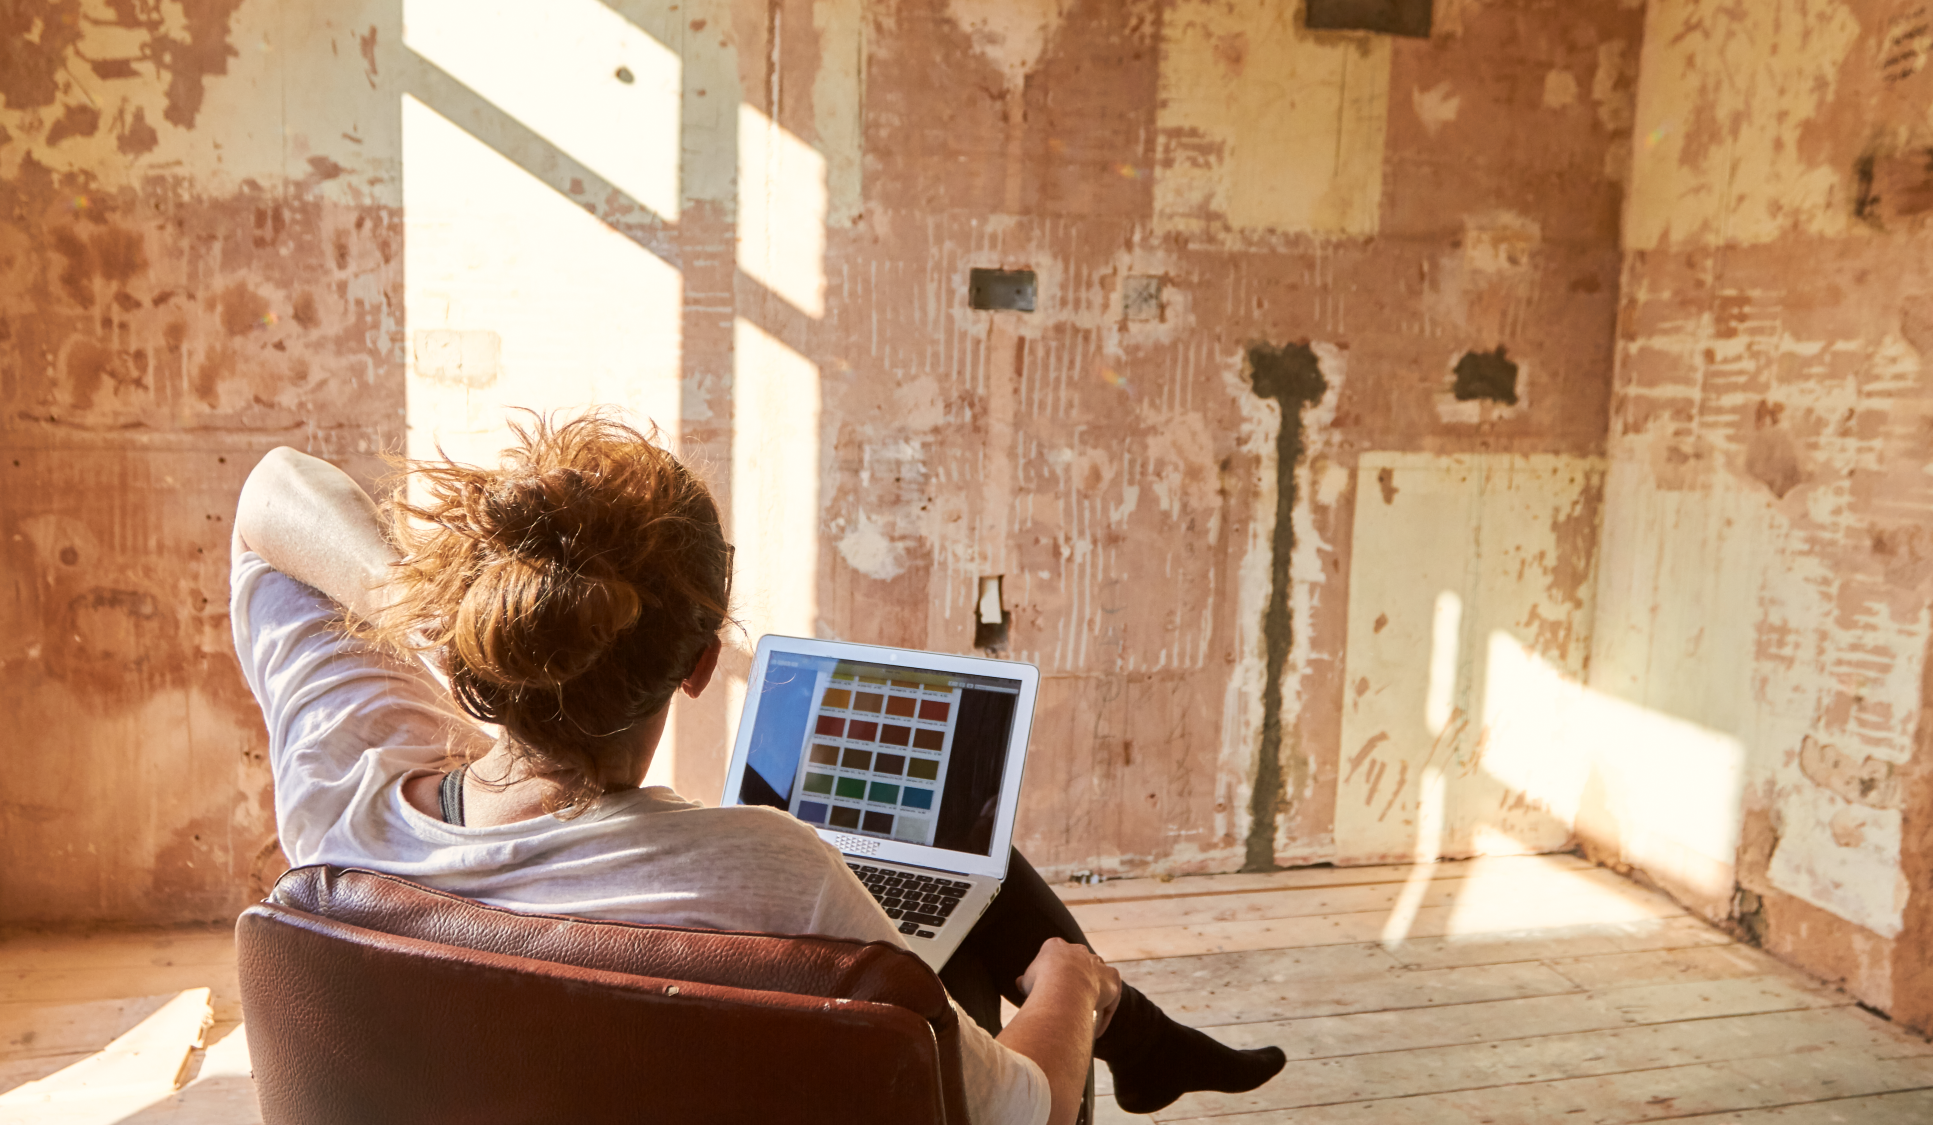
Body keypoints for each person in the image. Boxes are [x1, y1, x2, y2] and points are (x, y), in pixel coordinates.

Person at [229, 411, 1284, 1125]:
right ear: (697, 669)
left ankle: (1147, 1044)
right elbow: (1020, 1111)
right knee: (1000, 914)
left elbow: (274, 495)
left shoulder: (340, 792)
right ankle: (1122, 1024)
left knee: (981, 870)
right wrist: (1065, 985)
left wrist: (444, 632)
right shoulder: (769, 875)